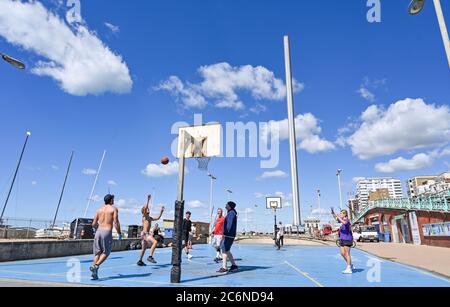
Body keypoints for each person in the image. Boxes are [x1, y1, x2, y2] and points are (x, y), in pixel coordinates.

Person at [90, 194, 122, 280]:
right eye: (113, 199)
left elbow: (93, 224)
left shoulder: (99, 210)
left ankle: (94, 271)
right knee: (106, 252)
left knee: (97, 252)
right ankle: (96, 266)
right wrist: (119, 233)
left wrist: (97, 229)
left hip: (98, 231)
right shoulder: (113, 209)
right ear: (111, 200)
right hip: (107, 232)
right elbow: (116, 222)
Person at [137, 195, 165, 266]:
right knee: (155, 242)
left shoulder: (150, 218)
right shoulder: (144, 217)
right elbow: (145, 207)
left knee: (143, 249)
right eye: (147, 209)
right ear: (144, 211)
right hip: (145, 234)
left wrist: (161, 212)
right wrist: (148, 200)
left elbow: (158, 218)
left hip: (144, 234)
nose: (148, 209)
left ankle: (140, 261)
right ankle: (150, 257)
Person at [217, 202, 238, 273]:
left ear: (229, 206)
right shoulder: (231, 213)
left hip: (228, 235)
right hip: (230, 235)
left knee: (224, 249)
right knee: (227, 250)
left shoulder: (231, 213)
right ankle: (234, 265)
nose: (225, 206)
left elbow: (229, 224)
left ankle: (224, 267)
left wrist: (225, 234)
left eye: (226, 205)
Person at [332, 208, 354, 274]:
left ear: (345, 214)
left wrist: (338, 216)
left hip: (347, 239)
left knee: (347, 253)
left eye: (341, 213)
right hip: (342, 239)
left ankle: (349, 268)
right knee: (342, 253)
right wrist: (333, 213)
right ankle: (350, 264)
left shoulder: (347, 220)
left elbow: (344, 222)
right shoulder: (341, 220)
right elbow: (336, 218)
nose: (340, 214)